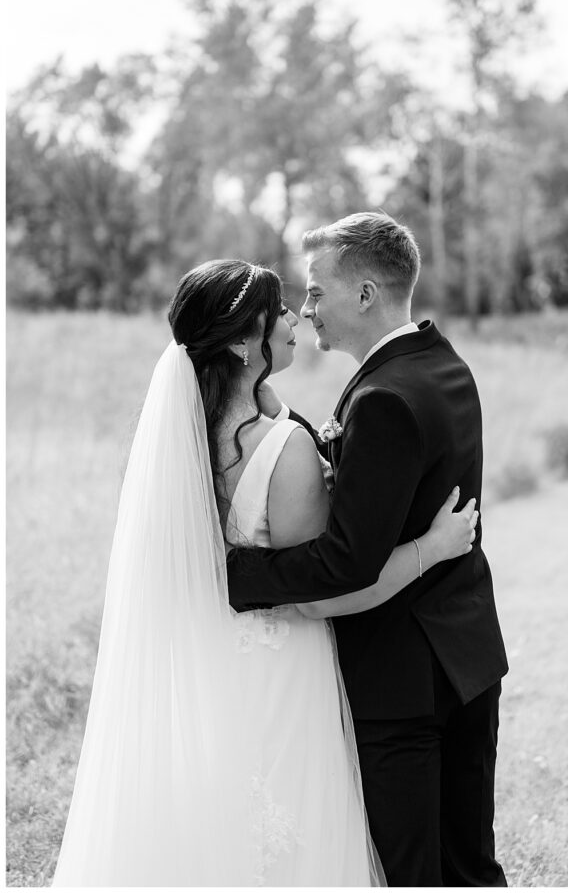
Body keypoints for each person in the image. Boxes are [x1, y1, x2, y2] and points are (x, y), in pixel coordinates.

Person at [52, 258, 477, 887]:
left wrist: (272, 402)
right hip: (282, 672)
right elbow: (325, 593)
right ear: (241, 341)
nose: (293, 318)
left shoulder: (178, 438)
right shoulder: (286, 450)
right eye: (277, 311)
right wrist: (432, 549)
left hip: (212, 660)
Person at [226, 212, 509, 887]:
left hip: (401, 678)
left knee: (409, 870)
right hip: (467, 654)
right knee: (469, 862)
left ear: (365, 295)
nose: (308, 308)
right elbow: (386, 481)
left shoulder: (382, 398)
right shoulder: (442, 365)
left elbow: (346, 561)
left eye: (318, 291)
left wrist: (239, 575)